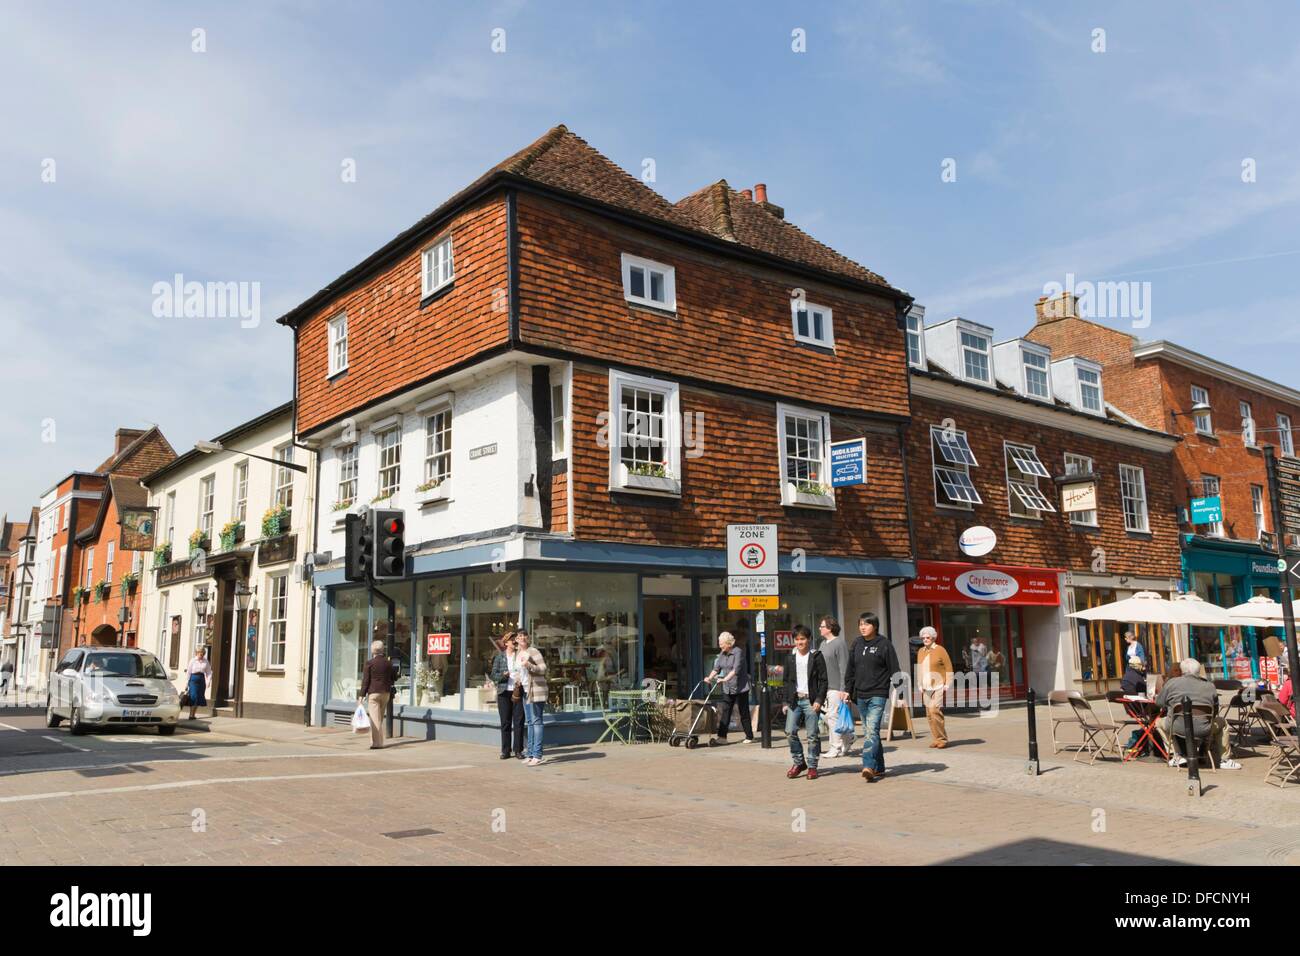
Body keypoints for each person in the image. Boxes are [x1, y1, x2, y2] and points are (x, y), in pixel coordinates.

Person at [844, 611, 902, 782]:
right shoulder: (856, 643)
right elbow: (850, 669)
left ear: (875, 626)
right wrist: (848, 689)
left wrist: (901, 693)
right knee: (871, 732)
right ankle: (880, 768)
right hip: (860, 694)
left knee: (871, 732)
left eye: (866, 624)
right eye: (861, 624)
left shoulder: (884, 644)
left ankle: (868, 766)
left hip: (878, 693)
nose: (862, 627)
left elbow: (894, 669)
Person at [1155, 658, 1241, 770]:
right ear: (1198, 671)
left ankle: (1176, 754)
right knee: (1222, 722)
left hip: (1177, 726)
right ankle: (1224, 760)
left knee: (1158, 722)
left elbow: (1159, 703)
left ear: (1182, 670)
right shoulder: (1210, 686)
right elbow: (1214, 712)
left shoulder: (1172, 683)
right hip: (1204, 729)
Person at [782, 625, 827, 780]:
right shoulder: (790, 657)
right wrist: (785, 702)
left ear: (809, 640)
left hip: (811, 700)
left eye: (803, 639)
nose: (800, 642)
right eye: (797, 639)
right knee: (789, 731)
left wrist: (819, 700)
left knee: (812, 735)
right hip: (795, 700)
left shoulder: (816, 656)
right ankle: (799, 763)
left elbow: (823, 680)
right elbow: (786, 681)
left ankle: (812, 766)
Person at [704, 631, 753, 744]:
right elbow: (717, 668)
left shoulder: (738, 652)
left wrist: (725, 679)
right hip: (728, 688)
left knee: (743, 712)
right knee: (726, 711)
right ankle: (722, 737)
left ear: (729, 643)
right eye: (719, 643)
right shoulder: (722, 654)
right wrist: (709, 677)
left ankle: (749, 736)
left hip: (740, 687)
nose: (720, 645)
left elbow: (735, 670)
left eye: (722, 643)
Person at [816, 616, 853, 757]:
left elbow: (844, 667)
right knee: (827, 717)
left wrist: (844, 689)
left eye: (822, 626)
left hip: (836, 687)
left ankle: (835, 747)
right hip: (825, 687)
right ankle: (848, 737)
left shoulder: (839, 643)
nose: (820, 628)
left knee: (832, 717)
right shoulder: (823, 644)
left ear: (830, 628)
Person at [916, 626, 953, 748]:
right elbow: (919, 669)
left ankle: (942, 739)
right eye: (923, 638)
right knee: (929, 714)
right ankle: (936, 739)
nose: (925, 639)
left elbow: (948, 668)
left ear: (933, 637)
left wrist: (948, 683)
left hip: (939, 685)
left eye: (928, 637)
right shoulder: (921, 651)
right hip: (926, 687)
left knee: (934, 710)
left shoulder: (940, 650)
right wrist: (919, 684)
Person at [515, 630, 548, 766]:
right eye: (519, 636)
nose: (522, 638)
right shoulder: (518, 654)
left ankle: (537, 755)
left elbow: (543, 668)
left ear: (528, 639)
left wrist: (529, 665)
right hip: (525, 690)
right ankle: (530, 754)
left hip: (536, 690)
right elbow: (520, 672)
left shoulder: (533, 651)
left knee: (536, 721)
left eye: (524, 636)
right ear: (516, 639)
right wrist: (517, 678)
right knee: (530, 722)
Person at [490, 630, 524, 760]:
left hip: (517, 691)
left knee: (519, 722)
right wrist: (503, 676)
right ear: (506, 643)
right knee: (505, 723)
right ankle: (505, 750)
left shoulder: (520, 656)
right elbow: (493, 676)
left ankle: (518, 750)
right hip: (503, 693)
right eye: (512, 640)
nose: (515, 642)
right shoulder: (499, 657)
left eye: (516, 640)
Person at [359, 639, 397, 750]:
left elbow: (366, 680)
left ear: (372, 650)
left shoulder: (369, 663)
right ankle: (378, 740)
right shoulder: (388, 663)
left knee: (375, 719)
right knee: (379, 718)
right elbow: (394, 677)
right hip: (385, 693)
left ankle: (376, 743)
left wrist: (361, 696)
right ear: (382, 650)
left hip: (373, 694)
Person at [183, 646, 212, 720]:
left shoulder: (206, 661)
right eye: (199, 653)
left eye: (202, 654)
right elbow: (188, 672)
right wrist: (186, 683)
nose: (201, 655)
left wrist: (208, 681)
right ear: (196, 653)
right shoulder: (192, 660)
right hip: (193, 679)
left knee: (199, 697)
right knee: (193, 696)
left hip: (201, 680)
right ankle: (191, 714)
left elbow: (209, 672)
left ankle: (193, 715)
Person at [1121, 630, 1148, 696]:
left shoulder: (1138, 645)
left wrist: (1142, 665)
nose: (1125, 639)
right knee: (1129, 679)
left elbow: (1142, 656)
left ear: (1129, 637)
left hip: (1137, 665)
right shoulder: (1128, 647)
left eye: (1125, 638)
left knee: (1137, 680)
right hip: (1130, 666)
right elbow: (1127, 658)